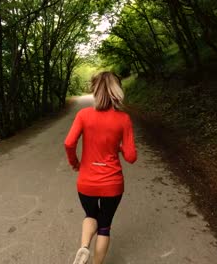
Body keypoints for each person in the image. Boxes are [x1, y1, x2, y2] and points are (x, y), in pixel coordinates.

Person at [64, 71, 137, 264]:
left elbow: (69, 143)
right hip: (112, 184)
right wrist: (119, 147)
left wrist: (75, 163)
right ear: (117, 90)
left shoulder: (83, 115)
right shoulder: (123, 119)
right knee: (104, 226)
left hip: (87, 181)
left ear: (95, 90)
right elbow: (131, 157)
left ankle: (84, 246)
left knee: (90, 215)